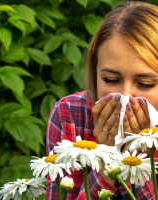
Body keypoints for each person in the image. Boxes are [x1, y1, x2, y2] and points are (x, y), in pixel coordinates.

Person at [46, 1, 158, 199]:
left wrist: (137, 159)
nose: (125, 97)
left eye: (146, 83)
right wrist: (108, 160)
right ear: (95, 71)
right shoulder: (69, 113)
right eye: (111, 80)